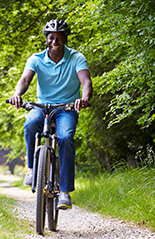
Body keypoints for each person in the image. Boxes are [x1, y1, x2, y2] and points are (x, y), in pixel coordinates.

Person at [8, 19, 93, 210]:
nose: (55, 41)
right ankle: (31, 168)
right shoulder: (36, 59)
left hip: (67, 108)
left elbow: (86, 82)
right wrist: (17, 95)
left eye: (59, 38)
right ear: (46, 39)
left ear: (65, 39)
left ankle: (65, 191)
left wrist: (84, 98)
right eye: (51, 37)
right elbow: (25, 79)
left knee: (65, 137)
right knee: (30, 124)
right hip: (42, 106)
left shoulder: (76, 57)